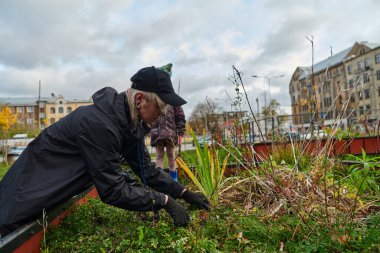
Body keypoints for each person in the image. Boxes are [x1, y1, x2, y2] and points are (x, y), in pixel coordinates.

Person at [0, 66, 210, 238]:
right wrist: (164, 201)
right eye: (160, 106)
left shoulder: (129, 125)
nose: (162, 113)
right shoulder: (98, 125)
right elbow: (113, 191)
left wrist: (183, 193)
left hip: (48, 190)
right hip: (25, 194)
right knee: (8, 232)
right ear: (140, 100)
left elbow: (146, 169)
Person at [150, 64, 185, 182]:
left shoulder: (169, 97)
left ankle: (172, 179)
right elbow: (180, 115)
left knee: (169, 155)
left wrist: (180, 132)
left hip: (166, 132)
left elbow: (179, 115)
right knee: (163, 155)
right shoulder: (154, 97)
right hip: (161, 132)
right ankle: (163, 179)